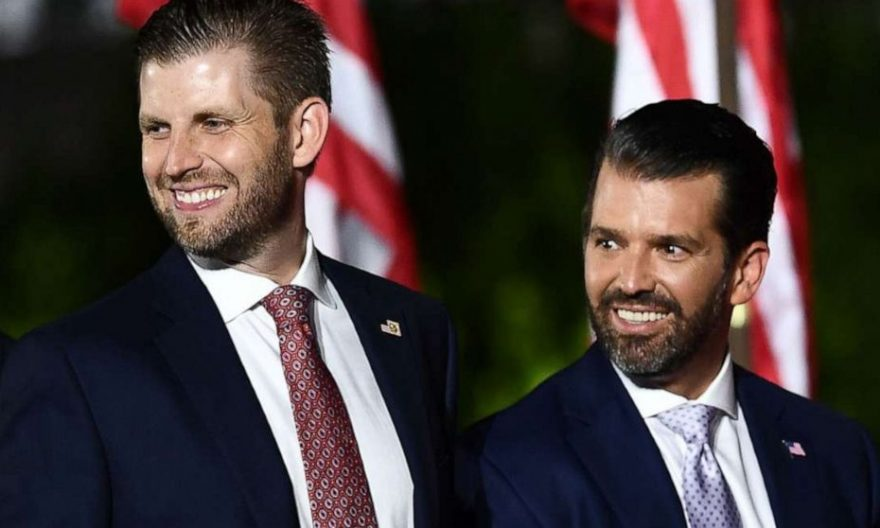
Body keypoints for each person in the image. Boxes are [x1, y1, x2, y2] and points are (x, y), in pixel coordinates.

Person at [0, 1, 457, 526]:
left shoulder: (414, 333)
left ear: (303, 132)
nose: (176, 162)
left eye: (213, 123)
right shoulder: (74, 372)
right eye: (157, 129)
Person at [457, 99, 880, 527]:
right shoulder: (504, 469)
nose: (630, 281)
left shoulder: (840, 458)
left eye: (670, 249)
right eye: (609, 243)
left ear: (744, 273)